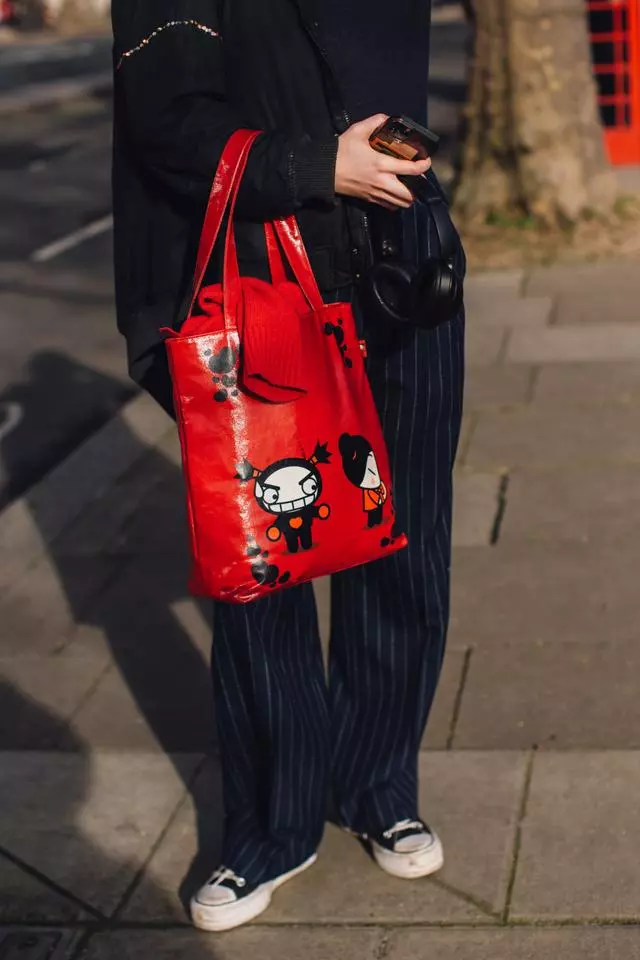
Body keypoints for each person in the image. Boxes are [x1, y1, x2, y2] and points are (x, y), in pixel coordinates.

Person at [111, 0, 465, 933]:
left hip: (403, 263)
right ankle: (274, 824)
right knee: (263, 560)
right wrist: (315, 166)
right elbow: (165, 118)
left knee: (407, 543)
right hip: (261, 275)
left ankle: (380, 784)